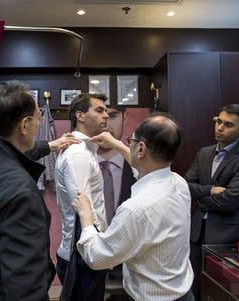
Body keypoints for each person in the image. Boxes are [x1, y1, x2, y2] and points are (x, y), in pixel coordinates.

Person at [0, 80, 78, 301]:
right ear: (24, 126)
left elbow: (11, 153)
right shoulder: (22, 194)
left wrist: (51, 145)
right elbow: (25, 288)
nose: (40, 121)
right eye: (37, 118)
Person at [73, 113, 195, 301]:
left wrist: (86, 217)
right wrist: (117, 144)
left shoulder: (135, 209)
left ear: (141, 149)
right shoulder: (179, 183)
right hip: (184, 294)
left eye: (132, 140)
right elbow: (145, 171)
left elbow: (97, 257)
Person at [184, 104, 239, 300]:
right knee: (194, 287)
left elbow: (231, 200)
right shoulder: (204, 153)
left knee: (220, 291)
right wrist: (210, 190)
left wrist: (201, 199)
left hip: (226, 237)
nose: (220, 127)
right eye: (218, 121)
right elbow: (185, 185)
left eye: (228, 125)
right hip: (196, 233)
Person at [54, 93, 109, 300]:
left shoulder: (86, 150)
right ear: (80, 115)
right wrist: (98, 251)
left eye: (106, 111)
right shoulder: (78, 153)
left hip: (86, 253)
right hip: (82, 256)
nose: (106, 115)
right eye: (99, 110)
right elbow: (82, 208)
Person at [97, 106, 136, 300]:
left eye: (112, 116)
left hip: (132, 266)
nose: (105, 122)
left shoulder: (141, 167)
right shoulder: (75, 163)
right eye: (99, 114)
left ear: (124, 118)